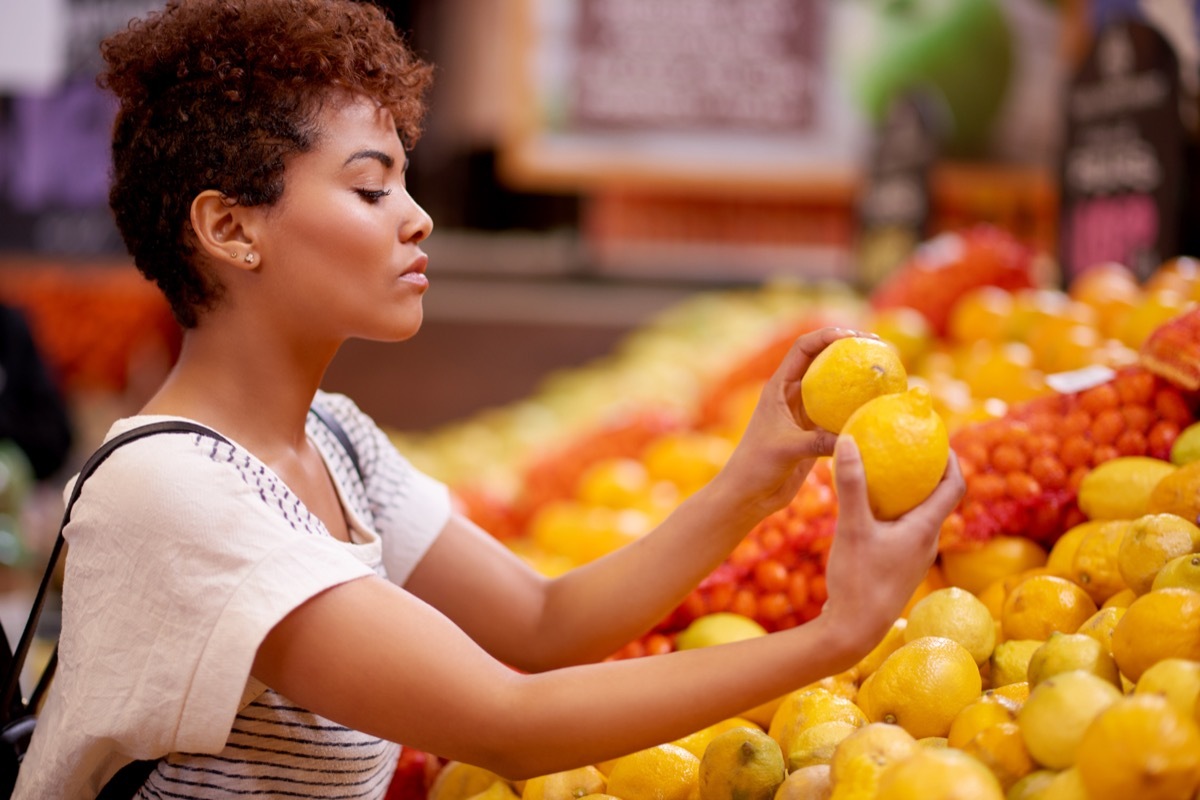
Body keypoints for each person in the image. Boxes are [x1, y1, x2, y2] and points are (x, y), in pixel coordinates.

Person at [14, 1, 965, 797]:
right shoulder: (178, 494)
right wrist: (837, 636)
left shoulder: (334, 439)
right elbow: (508, 722)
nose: (417, 216)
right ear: (229, 227)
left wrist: (752, 484)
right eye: (370, 188)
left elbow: (543, 627)